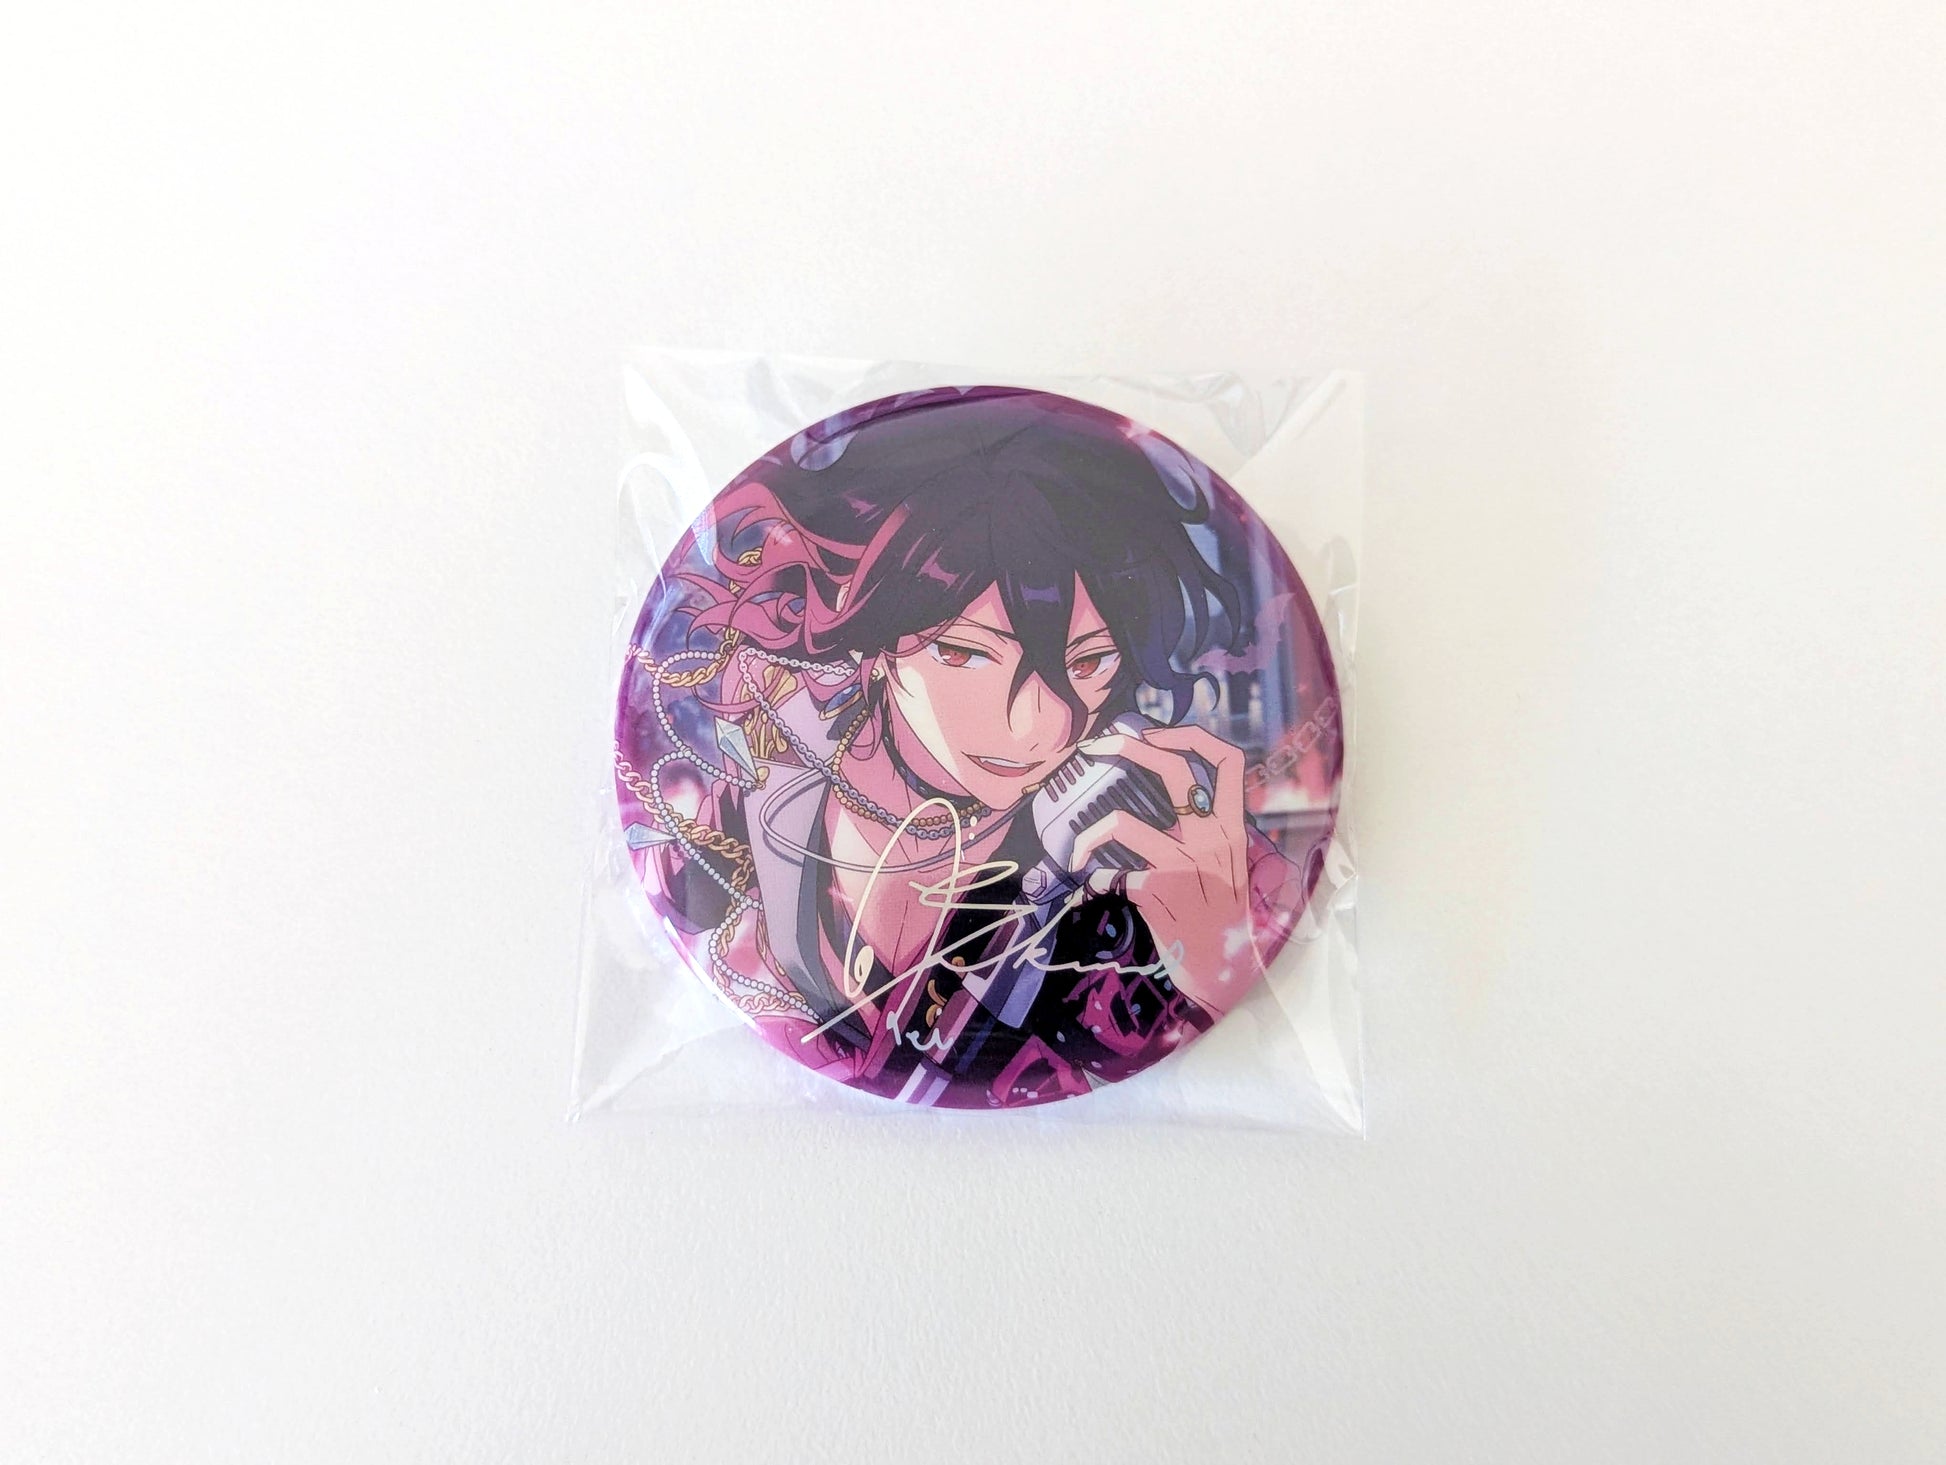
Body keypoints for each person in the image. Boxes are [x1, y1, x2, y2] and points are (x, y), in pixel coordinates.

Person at [617, 387, 1311, 1108]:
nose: (1037, 725)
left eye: (1090, 662)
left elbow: (1233, 1009)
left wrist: (1211, 956)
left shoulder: (1170, 836)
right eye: (967, 653)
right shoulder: (761, 777)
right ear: (875, 640)